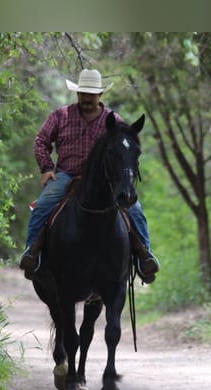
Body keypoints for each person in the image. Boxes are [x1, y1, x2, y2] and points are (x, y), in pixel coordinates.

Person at [18, 69, 159, 283]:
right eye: (83, 93)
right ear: (77, 93)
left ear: (100, 95)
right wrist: (47, 168)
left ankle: (144, 255)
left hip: (103, 181)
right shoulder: (60, 116)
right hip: (67, 175)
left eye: (91, 94)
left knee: (134, 209)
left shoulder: (113, 120)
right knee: (44, 204)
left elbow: (124, 150)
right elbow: (41, 141)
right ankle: (32, 252)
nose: (87, 97)